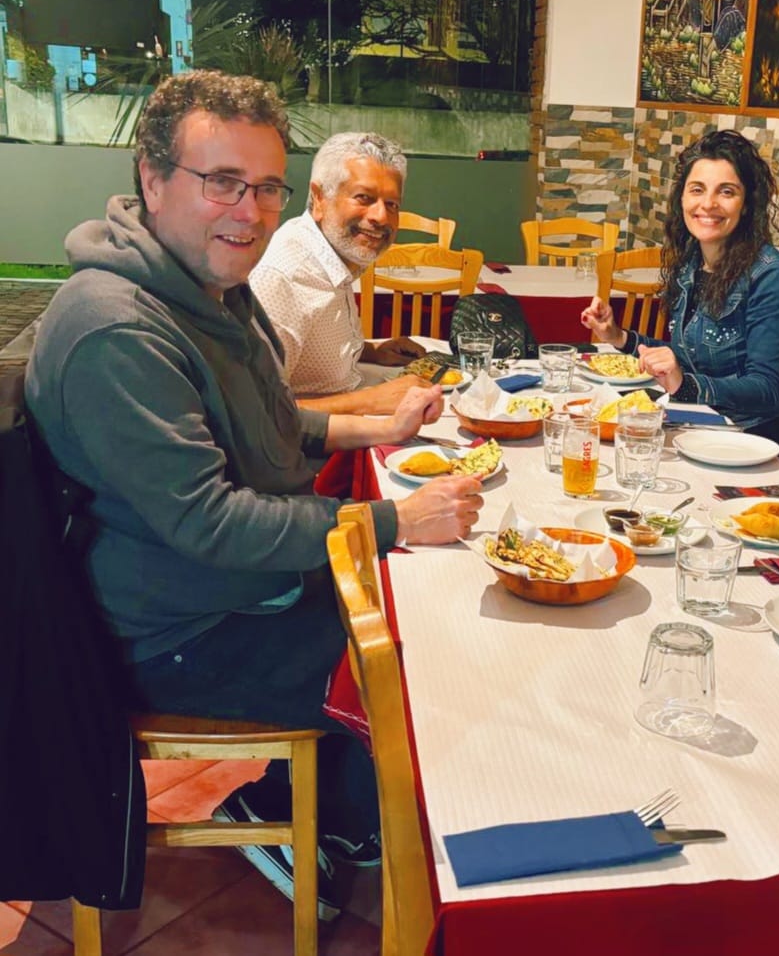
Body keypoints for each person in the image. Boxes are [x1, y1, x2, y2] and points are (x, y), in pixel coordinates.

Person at [24, 70, 484, 918]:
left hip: (223, 590)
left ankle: (323, 805)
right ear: (152, 179)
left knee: (415, 610)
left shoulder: (208, 288)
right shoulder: (117, 328)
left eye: (267, 186)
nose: (251, 210)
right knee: (411, 655)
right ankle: (304, 808)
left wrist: (371, 429)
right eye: (223, 182)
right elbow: (211, 523)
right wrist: (391, 518)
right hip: (170, 632)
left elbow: (269, 418)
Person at [579, 129, 779, 455]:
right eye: (697, 189)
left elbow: (766, 389)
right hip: (704, 422)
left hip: (757, 439)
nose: (708, 204)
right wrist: (619, 337)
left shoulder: (770, 274)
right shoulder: (692, 261)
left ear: (746, 204)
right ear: (682, 198)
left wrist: (685, 385)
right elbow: (688, 356)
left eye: (726, 191)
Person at [250, 131, 434, 415]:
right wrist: (371, 401)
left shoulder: (336, 254)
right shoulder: (284, 277)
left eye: (392, 204)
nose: (381, 217)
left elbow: (309, 356)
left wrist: (371, 351)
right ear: (319, 198)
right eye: (364, 198)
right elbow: (256, 413)